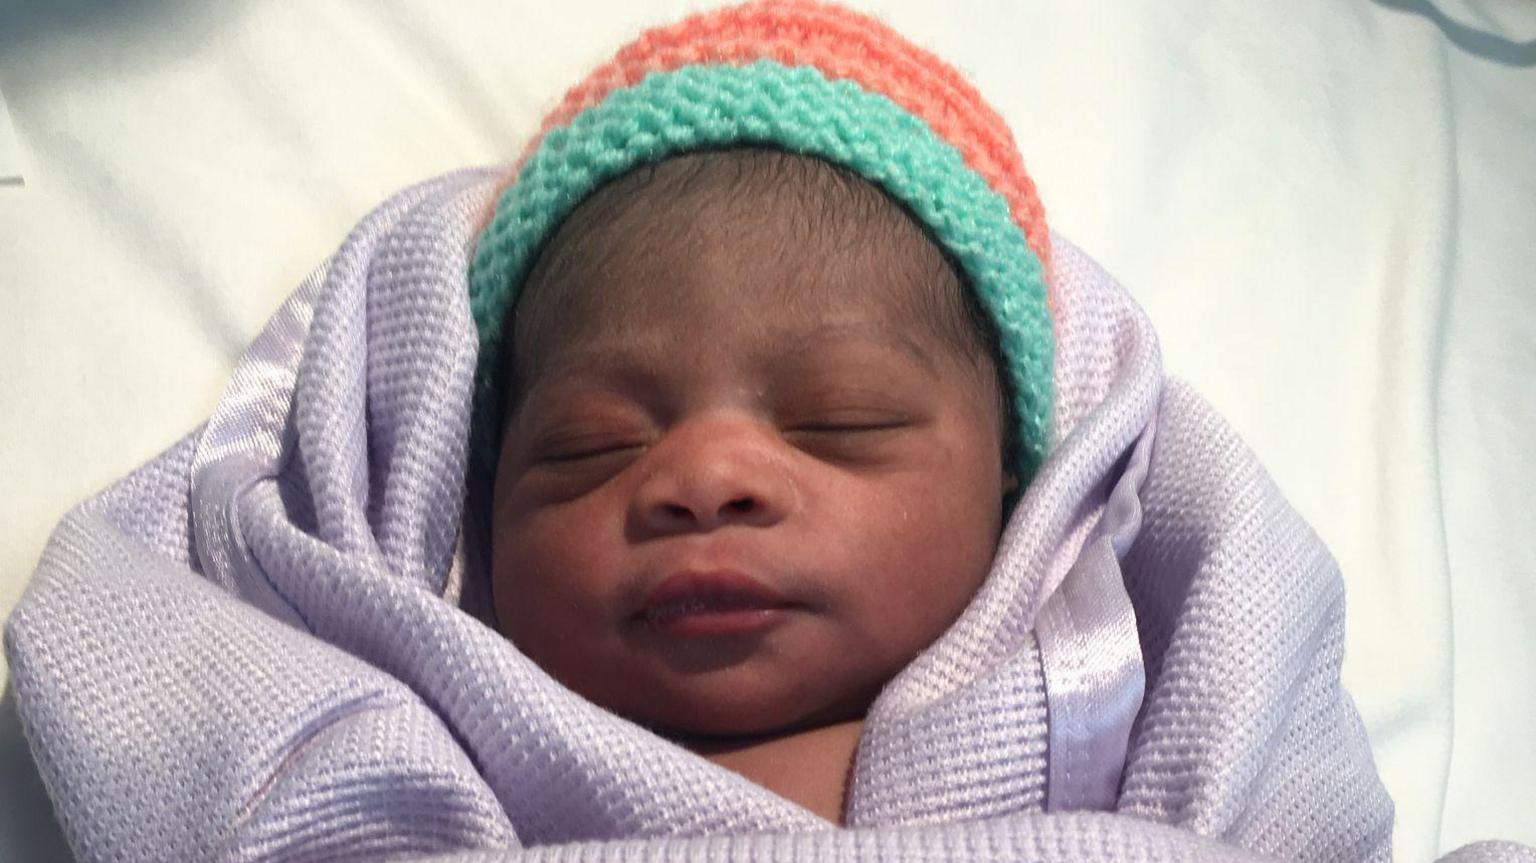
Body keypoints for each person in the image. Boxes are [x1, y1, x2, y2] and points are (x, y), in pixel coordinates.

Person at [484, 148, 1019, 823]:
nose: (707, 478)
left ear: (1008, 467)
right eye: (592, 443)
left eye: (842, 417)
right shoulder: (421, 758)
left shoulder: (1099, 703)